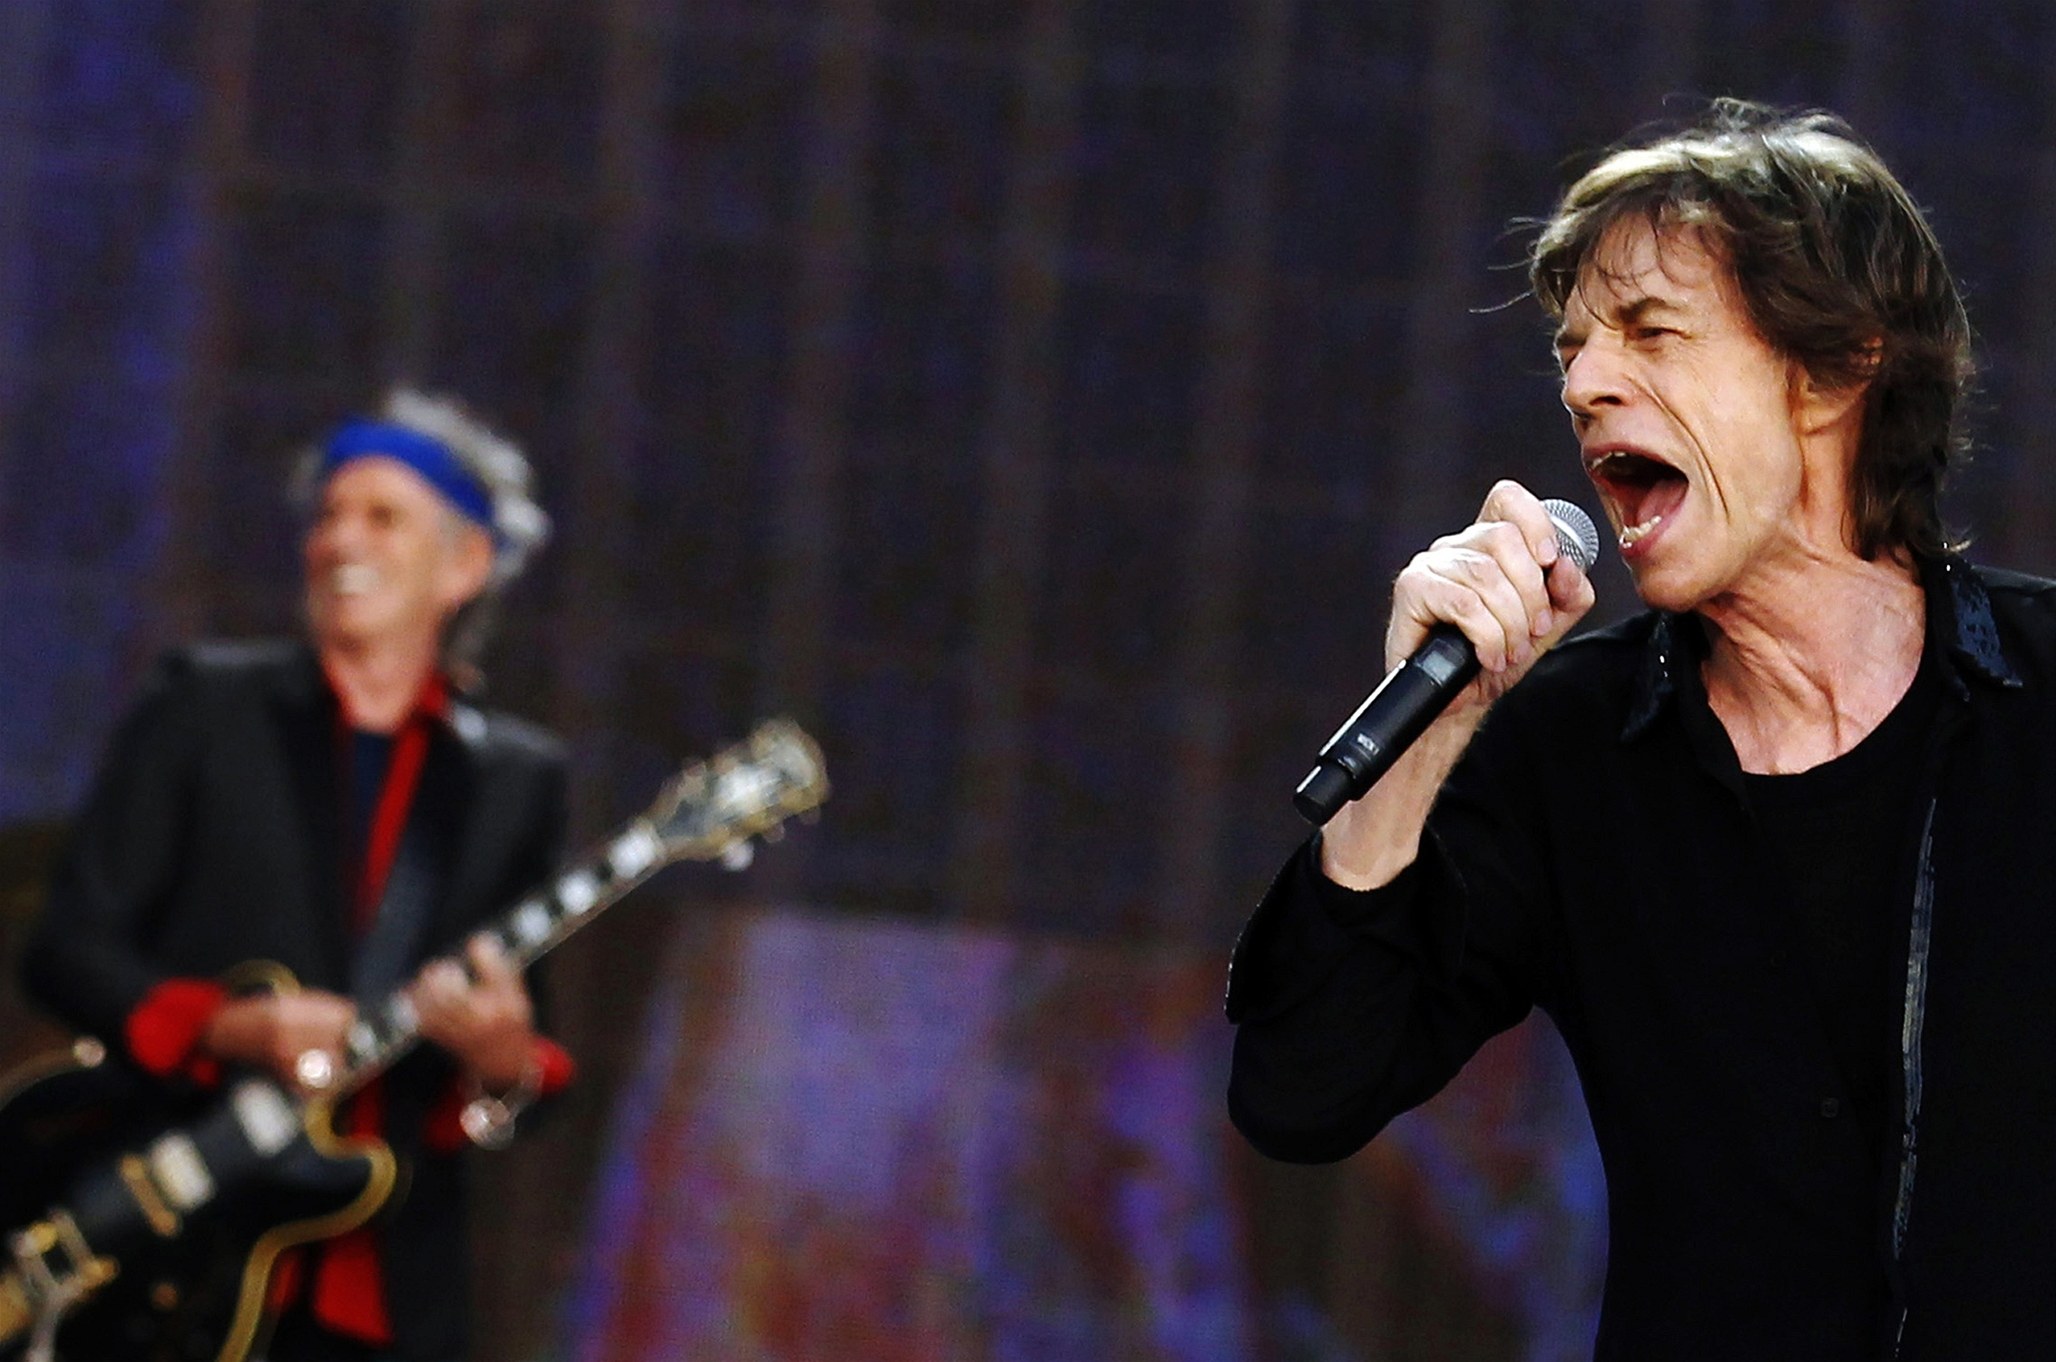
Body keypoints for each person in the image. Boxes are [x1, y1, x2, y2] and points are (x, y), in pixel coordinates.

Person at [1225, 99, 2056, 1359]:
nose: (1581, 384)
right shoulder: (1573, 747)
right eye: (1571, 350)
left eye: (1651, 332)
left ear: (1836, 371)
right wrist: (1423, 737)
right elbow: (1302, 1091)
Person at [22, 388, 574, 1362]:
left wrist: (502, 1062)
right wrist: (230, 1027)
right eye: (327, 515)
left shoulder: (514, 782)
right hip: (161, 1241)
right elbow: (66, 949)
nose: (337, 539)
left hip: (377, 1288)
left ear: (466, 565)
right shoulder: (203, 705)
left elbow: (531, 1062)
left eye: (382, 516)